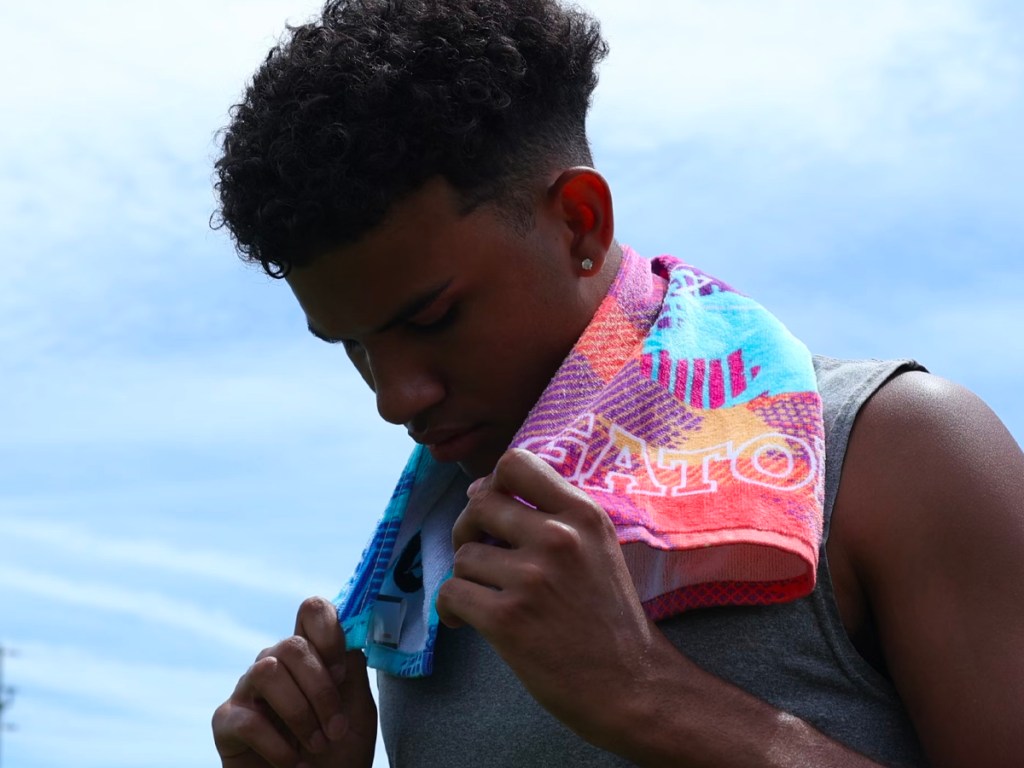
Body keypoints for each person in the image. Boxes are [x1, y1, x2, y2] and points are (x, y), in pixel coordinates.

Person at [209, 1, 1024, 766]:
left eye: (433, 321)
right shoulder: (426, 581)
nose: (395, 398)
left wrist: (647, 692)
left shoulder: (895, 454)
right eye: (355, 347)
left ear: (580, 223)